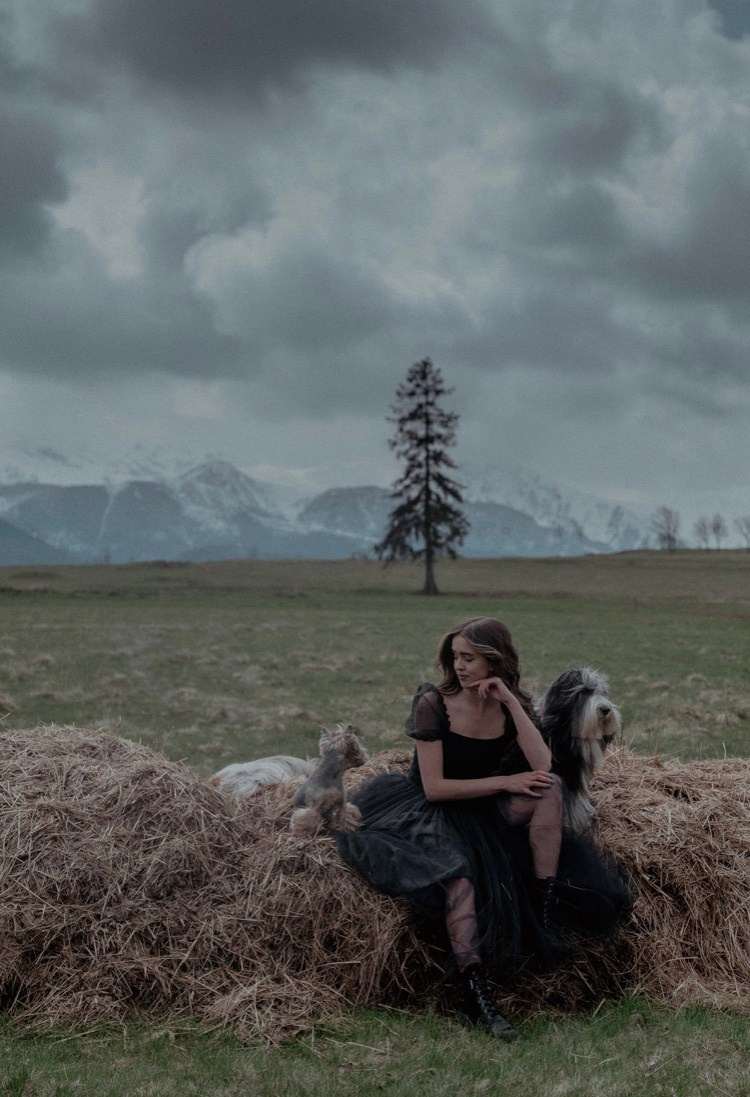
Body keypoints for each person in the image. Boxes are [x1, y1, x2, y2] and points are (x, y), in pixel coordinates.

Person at [335, 616, 632, 1038]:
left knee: (550, 788)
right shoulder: (432, 702)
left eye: (470, 658)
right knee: (461, 877)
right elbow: (435, 788)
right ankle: (475, 991)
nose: (460, 666)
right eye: (455, 657)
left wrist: (511, 702)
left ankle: (543, 909)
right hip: (428, 810)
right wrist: (507, 782)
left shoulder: (510, 702)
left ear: (495, 660)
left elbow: (543, 765)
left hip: (484, 808)